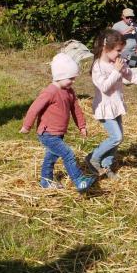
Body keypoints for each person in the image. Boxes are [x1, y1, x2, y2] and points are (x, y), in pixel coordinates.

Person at [87, 29, 137, 179]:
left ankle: (106, 166)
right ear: (106, 48)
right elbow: (104, 88)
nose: (120, 54)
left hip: (116, 106)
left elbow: (132, 77)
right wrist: (116, 71)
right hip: (105, 108)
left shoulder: (117, 63)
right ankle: (93, 158)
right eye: (118, 51)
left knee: (117, 139)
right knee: (116, 137)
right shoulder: (98, 67)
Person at [19, 53, 95, 192]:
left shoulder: (69, 91)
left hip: (58, 133)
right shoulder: (50, 92)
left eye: (74, 78)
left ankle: (45, 181)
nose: (73, 81)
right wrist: (26, 126)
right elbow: (34, 108)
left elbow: (76, 109)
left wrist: (82, 126)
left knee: (51, 157)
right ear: (60, 76)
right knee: (68, 154)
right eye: (70, 78)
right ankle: (79, 181)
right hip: (47, 133)